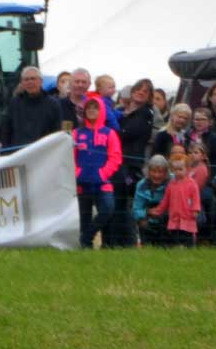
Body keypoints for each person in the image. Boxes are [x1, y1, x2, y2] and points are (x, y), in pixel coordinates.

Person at [112, 78, 157, 245]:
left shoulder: (146, 113)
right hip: (116, 162)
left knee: (125, 202)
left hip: (130, 167)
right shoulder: (122, 112)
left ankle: (129, 241)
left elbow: (125, 133)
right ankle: (113, 240)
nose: (141, 92)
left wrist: (113, 129)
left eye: (145, 91)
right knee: (116, 202)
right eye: (138, 89)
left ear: (149, 96)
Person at [72, 97, 121, 247]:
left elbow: (116, 157)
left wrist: (103, 173)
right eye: (89, 108)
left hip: (102, 183)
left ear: (101, 111)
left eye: (95, 107)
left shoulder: (109, 133)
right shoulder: (76, 133)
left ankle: (87, 237)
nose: (92, 110)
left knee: (107, 210)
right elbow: (69, 157)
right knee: (84, 217)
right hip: (82, 183)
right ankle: (85, 247)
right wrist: (77, 172)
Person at [1, 66, 62, 150]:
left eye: (33, 79)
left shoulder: (53, 104)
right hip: (18, 155)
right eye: (26, 79)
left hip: (44, 154)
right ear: (22, 83)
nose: (30, 82)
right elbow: (6, 131)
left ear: (41, 81)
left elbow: (57, 132)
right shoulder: (14, 103)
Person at [158, 153, 201, 246]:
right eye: (175, 170)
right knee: (175, 237)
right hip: (174, 216)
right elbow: (166, 199)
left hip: (187, 215)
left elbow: (196, 197)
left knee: (187, 236)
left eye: (180, 169)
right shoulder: (171, 184)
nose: (177, 172)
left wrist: (195, 209)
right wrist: (160, 210)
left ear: (187, 169)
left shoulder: (192, 183)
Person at [132, 155, 171, 245]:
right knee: (142, 223)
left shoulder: (173, 182)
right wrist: (147, 212)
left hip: (168, 220)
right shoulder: (141, 185)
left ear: (166, 173)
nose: (156, 175)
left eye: (160, 172)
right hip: (149, 220)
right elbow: (136, 209)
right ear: (148, 171)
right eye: (153, 171)